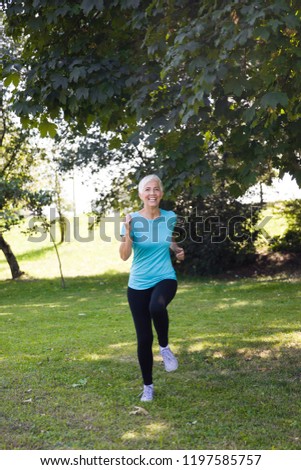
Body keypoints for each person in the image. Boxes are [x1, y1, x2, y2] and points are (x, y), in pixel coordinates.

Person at [119, 174, 184, 402]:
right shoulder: (131, 220)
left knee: (157, 308)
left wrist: (176, 250)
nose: (152, 193)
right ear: (140, 194)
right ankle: (148, 386)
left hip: (165, 277)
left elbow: (167, 239)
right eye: (147, 189)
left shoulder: (170, 217)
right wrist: (127, 233)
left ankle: (165, 348)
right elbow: (124, 256)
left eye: (156, 189)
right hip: (137, 285)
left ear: (162, 193)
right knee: (144, 338)